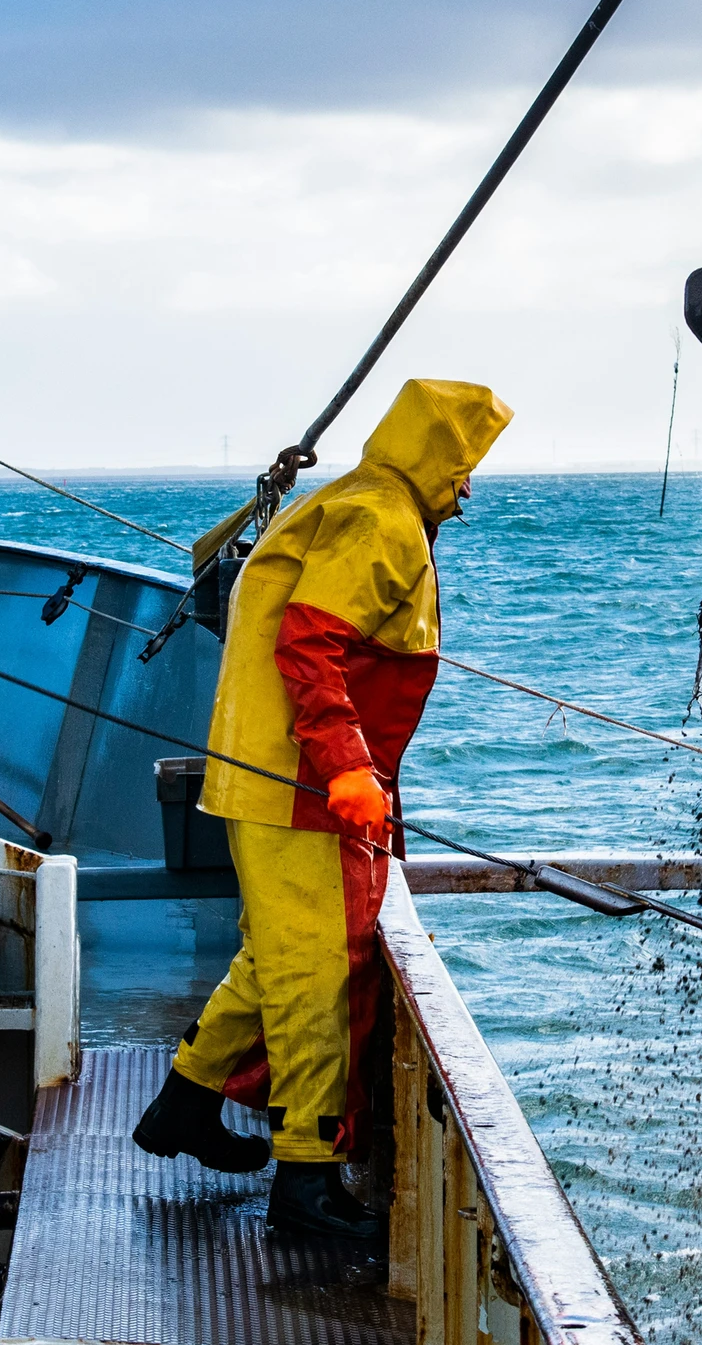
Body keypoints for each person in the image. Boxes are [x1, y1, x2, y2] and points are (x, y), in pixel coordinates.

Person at [133, 378, 513, 1239]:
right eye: (463, 468)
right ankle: (305, 1181)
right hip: (298, 784)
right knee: (316, 971)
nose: (467, 489)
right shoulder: (382, 521)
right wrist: (346, 767)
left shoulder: (358, 499)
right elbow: (308, 641)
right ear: (435, 457)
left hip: (266, 774)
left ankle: (185, 1102)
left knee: (279, 954)